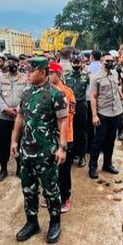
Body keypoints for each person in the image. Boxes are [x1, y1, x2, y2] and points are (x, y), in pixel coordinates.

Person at [10, 57, 68, 244]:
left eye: (31, 71)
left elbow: (63, 121)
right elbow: (20, 117)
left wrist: (62, 148)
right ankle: (32, 222)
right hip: (27, 152)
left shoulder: (56, 95)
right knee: (28, 189)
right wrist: (14, 141)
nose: (27, 74)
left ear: (43, 72)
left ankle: (55, 223)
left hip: (47, 153)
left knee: (51, 191)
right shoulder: (26, 93)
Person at [88, 52, 123, 179]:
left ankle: (107, 164)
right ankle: (92, 167)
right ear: (101, 62)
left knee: (110, 140)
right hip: (102, 113)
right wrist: (94, 115)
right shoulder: (95, 77)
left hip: (115, 112)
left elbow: (117, 87)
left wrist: (122, 97)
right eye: (107, 61)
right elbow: (93, 96)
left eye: (111, 60)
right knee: (98, 141)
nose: (109, 63)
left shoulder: (115, 73)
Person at [0, 55, 27, 180]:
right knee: (3, 144)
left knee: (19, 143)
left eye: (14, 62)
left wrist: (19, 108)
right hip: (4, 117)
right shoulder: (1, 79)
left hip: (19, 116)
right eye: (9, 62)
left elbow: (27, 94)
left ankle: (19, 167)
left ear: (18, 64)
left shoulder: (24, 79)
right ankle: (3, 169)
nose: (11, 64)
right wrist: (5, 109)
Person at [49, 61, 75, 213]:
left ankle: (65, 197)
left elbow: (68, 117)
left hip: (65, 137)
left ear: (58, 75)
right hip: (50, 138)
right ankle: (53, 196)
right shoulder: (45, 91)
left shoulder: (66, 92)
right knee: (52, 170)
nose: (48, 76)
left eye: (51, 73)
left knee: (64, 171)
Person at [66, 56, 89, 168]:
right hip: (69, 105)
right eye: (74, 63)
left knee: (82, 131)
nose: (76, 65)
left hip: (81, 105)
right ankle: (72, 154)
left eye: (78, 62)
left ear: (81, 63)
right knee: (71, 130)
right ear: (71, 63)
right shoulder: (66, 77)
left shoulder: (86, 76)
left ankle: (82, 156)